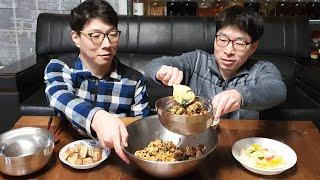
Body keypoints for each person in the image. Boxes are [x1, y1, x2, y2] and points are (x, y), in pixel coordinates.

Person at [44, 0, 149, 163]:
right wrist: (97, 117)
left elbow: (141, 129)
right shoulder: (60, 67)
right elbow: (58, 95)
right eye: (96, 36)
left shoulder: (134, 80)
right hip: (71, 153)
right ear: (76, 37)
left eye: (112, 34)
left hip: (119, 157)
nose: (107, 44)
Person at [144, 5, 286, 121]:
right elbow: (153, 66)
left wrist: (240, 95)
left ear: (253, 47)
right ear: (215, 39)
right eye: (223, 40)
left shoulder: (261, 69)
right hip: (196, 139)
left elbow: (277, 90)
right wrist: (162, 70)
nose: (228, 50)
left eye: (240, 43)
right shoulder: (197, 60)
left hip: (241, 143)